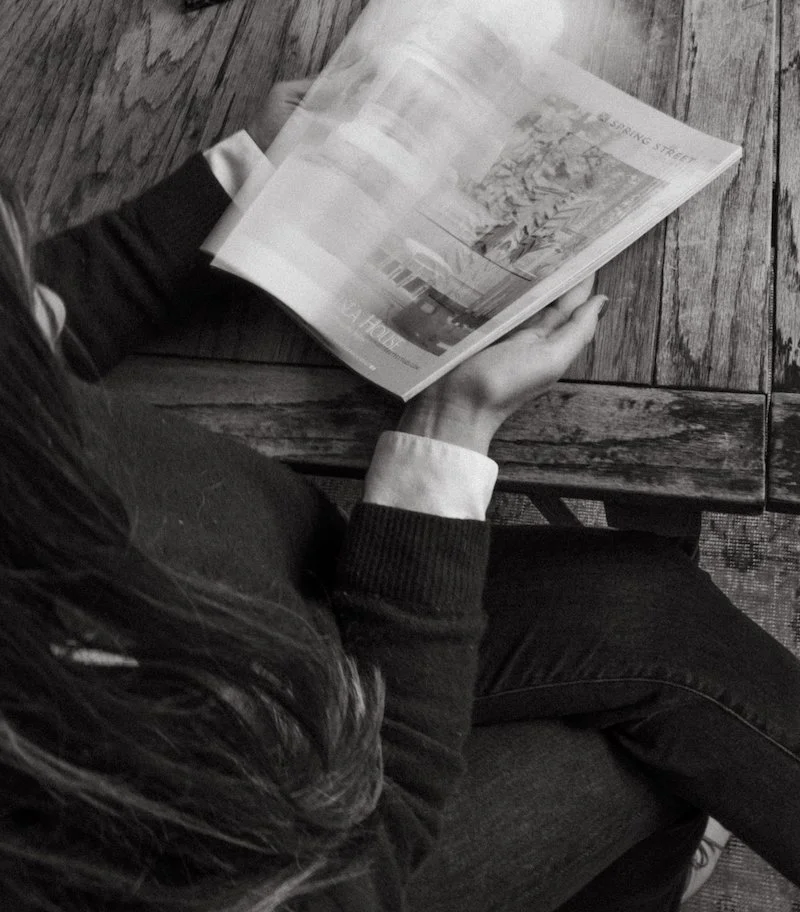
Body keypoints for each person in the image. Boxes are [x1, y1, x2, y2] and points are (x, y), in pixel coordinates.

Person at [2, 80, 799, 912]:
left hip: (297, 614)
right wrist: (447, 432)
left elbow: (38, 322)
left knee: (651, 600)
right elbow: (355, 859)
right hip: (329, 806)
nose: (47, 302)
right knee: (645, 770)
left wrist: (246, 175)